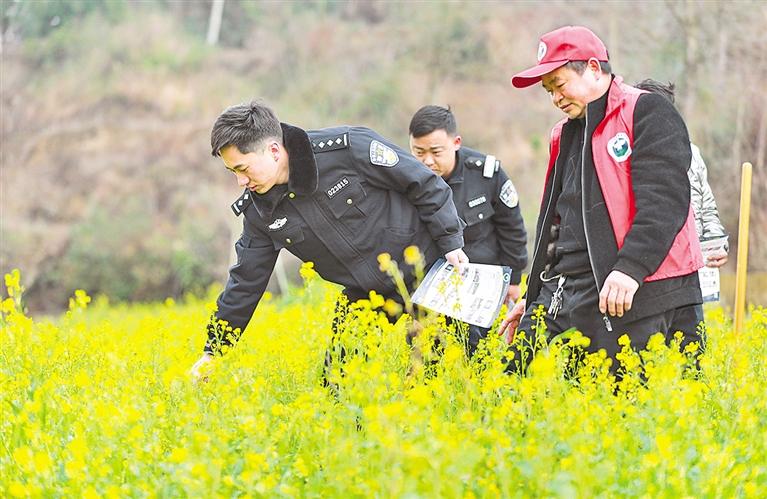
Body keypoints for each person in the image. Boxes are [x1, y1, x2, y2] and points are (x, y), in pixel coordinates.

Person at [191, 101, 468, 379]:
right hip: (367, 294)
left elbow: (425, 184)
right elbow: (245, 282)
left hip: (428, 270)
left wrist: (451, 242)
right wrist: (213, 351)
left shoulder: (348, 148)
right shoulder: (260, 213)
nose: (241, 181)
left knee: (435, 375)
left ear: (273, 150)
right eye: (233, 172)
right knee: (338, 384)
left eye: (243, 168)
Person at [499, 26, 705, 372]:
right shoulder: (563, 133)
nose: (555, 98)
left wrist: (630, 269)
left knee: (629, 408)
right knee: (513, 382)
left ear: (594, 68)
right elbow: (557, 223)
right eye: (548, 91)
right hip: (571, 290)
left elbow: (665, 202)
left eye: (560, 84)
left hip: (637, 290)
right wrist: (534, 297)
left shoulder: (646, 111)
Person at [408, 105, 528, 356]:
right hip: (430, 288)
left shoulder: (486, 175)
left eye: (435, 152)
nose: (427, 161)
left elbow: (512, 227)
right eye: (418, 152)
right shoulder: (405, 178)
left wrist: (514, 279)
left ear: (456, 143)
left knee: (478, 356)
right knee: (425, 359)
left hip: (480, 286)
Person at [633, 79, 729, 268]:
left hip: (696, 264)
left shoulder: (692, 153)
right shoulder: (629, 157)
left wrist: (717, 244)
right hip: (656, 266)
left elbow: (707, 209)